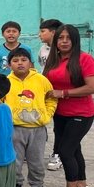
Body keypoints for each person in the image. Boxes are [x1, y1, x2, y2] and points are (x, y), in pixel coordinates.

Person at [43, 24, 94, 187]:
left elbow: (92, 87)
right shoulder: (54, 60)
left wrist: (63, 93)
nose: (64, 41)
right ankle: (82, 186)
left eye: (68, 38)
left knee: (65, 151)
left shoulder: (84, 59)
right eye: (60, 38)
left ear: (75, 40)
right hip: (60, 113)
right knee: (74, 149)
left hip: (81, 113)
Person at [5, 48, 56, 187]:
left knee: (37, 160)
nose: (20, 63)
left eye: (23, 60)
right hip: (15, 129)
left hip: (37, 129)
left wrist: (47, 115)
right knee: (15, 160)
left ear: (30, 62)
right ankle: (16, 184)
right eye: (15, 61)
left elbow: (51, 98)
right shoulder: (6, 82)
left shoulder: (41, 80)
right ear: (9, 65)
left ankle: (37, 185)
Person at [37, 19, 63, 171]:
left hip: (60, 92)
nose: (39, 34)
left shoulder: (63, 50)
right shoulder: (43, 49)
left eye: (42, 31)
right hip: (45, 91)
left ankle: (57, 154)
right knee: (42, 119)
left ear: (53, 32)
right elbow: (42, 67)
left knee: (60, 126)